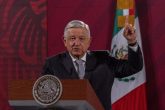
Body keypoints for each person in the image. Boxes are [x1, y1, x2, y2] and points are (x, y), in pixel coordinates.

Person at [42, 20, 143, 110]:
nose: (76, 43)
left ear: (89, 41)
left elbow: (133, 67)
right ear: (65, 41)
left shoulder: (104, 59)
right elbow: (43, 95)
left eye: (81, 39)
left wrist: (132, 42)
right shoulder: (53, 63)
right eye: (72, 38)